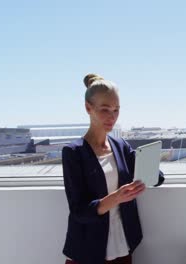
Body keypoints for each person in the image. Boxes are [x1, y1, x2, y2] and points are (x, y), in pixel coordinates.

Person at [62, 73, 164, 264]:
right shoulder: (73, 152)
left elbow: (156, 177)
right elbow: (79, 211)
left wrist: (149, 169)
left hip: (122, 245)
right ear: (88, 108)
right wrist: (117, 197)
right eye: (105, 109)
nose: (112, 117)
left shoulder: (121, 146)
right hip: (88, 250)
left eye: (116, 110)